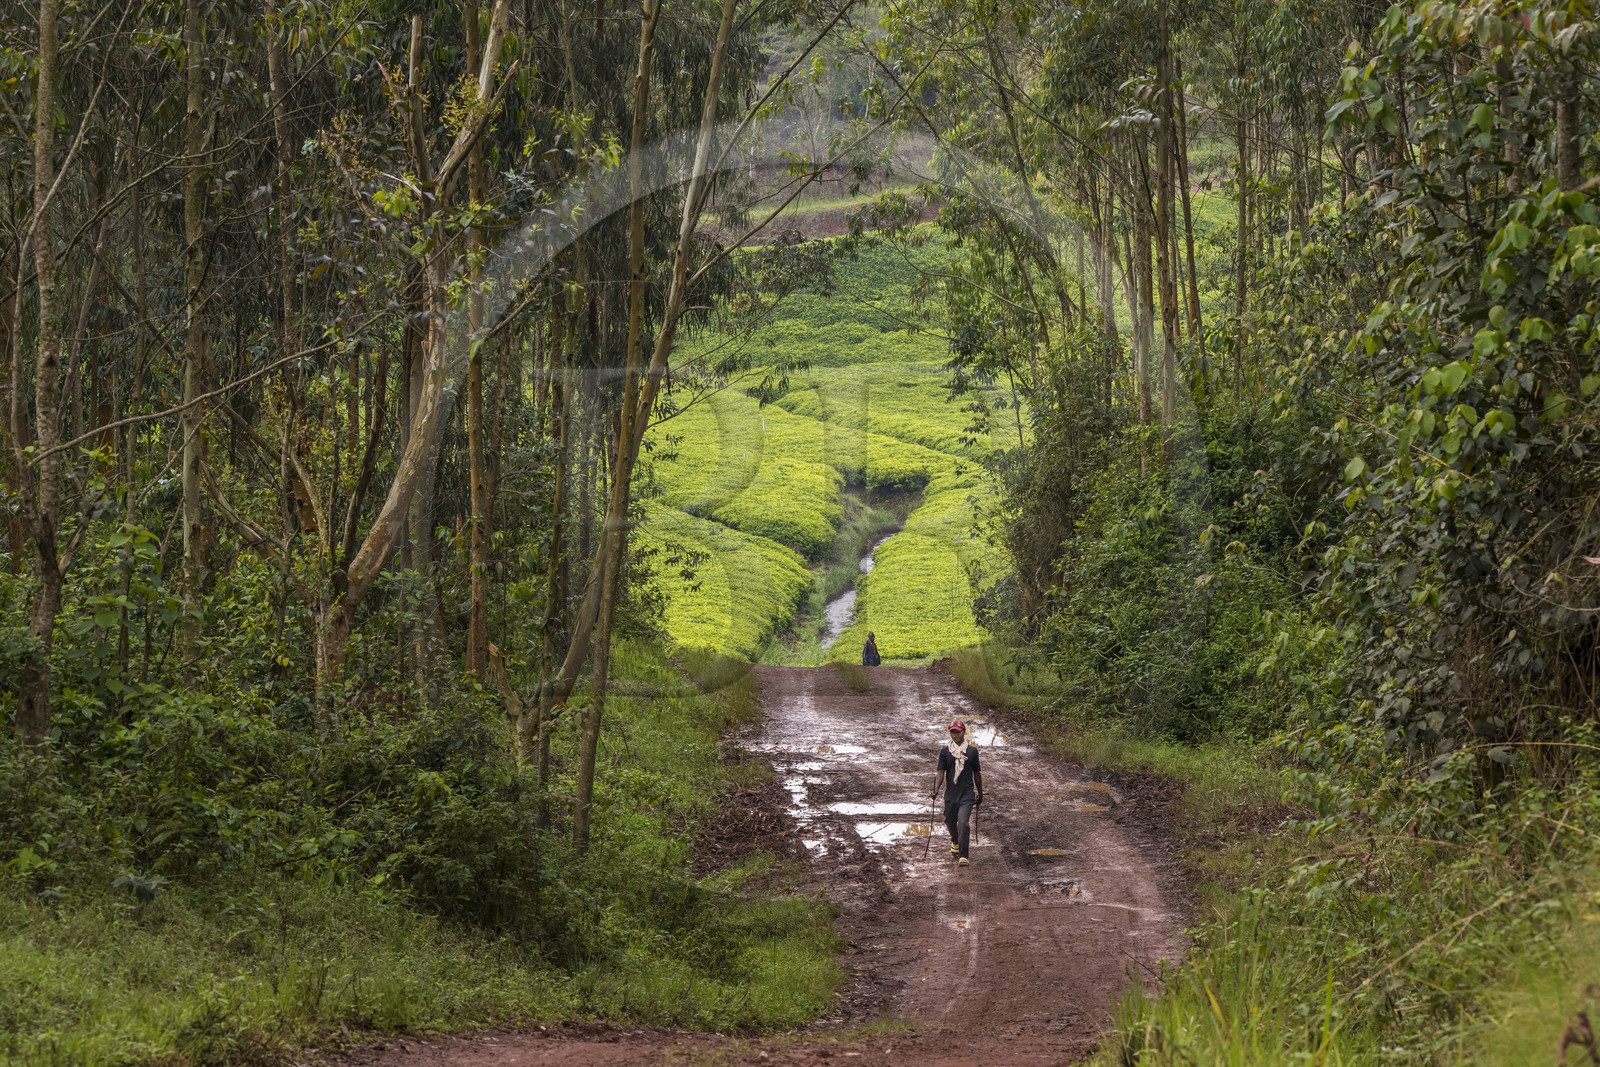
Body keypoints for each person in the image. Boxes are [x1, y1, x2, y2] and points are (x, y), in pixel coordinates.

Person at [931, 719, 983, 866]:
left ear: (964, 732)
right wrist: (936, 790)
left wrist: (980, 793)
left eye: (958, 732)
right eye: (953, 732)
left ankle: (963, 855)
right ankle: (955, 840)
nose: (956, 735)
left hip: (967, 794)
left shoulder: (972, 752)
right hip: (951, 794)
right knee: (949, 820)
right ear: (950, 733)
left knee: (963, 822)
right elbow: (941, 772)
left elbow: (977, 774)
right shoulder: (945, 752)